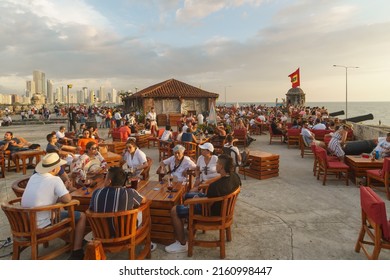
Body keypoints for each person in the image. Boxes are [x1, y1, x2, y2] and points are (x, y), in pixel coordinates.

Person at [165, 154, 241, 253]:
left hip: (211, 213)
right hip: (224, 209)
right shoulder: (235, 176)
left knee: (174, 210)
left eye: (217, 164)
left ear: (221, 167)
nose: (216, 165)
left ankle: (182, 243)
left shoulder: (215, 187)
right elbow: (212, 195)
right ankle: (186, 225)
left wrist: (193, 202)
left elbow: (207, 204)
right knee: (186, 196)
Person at [21, 153, 86, 260]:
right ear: (55, 168)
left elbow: (48, 196)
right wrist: (65, 189)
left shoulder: (34, 177)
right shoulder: (55, 180)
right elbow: (68, 199)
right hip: (42, 227)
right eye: (59, 166)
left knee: (60, 210)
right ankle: (77, 250)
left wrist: (62, 190)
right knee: (81, 216)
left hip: (25, 225)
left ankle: (73, 240)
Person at [89, 166, 157, 252]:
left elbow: (91, 209)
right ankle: (148, 242)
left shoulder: (96, 193)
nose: (104, 180)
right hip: (125, 234)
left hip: (101, 234)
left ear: (109, 181)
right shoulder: (130, 193)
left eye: (105, 178)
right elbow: (145, 200)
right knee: (144, 213)